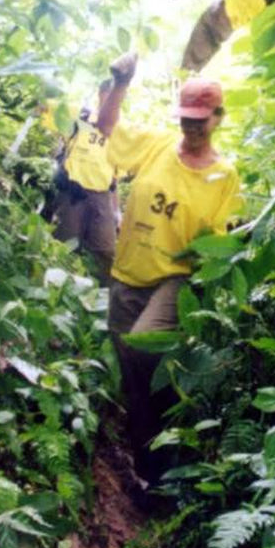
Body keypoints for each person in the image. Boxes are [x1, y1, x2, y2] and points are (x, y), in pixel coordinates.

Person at [97, 53, 243, 486]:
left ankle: (177, 455)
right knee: (133, 376)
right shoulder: (159, 144)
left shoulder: (224, 175)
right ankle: (149, 472)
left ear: (218, 117)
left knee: (144, 347)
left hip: (174, 279)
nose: (191, 127)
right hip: (128, 274)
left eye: (201, 119)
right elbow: (107, 130)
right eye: (186, 118)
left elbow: (220, 239)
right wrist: (120, 81)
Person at [50, 79, 120, 285]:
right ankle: (56, 291)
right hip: (73, 193)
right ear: (101, 94)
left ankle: (100, 298)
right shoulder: (80, 116)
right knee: (65, 246)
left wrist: (117, 212)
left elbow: (115, 178)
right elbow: (45, 109)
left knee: (105, 250)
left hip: (102, 196)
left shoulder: (120, 131)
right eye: (109, 95)